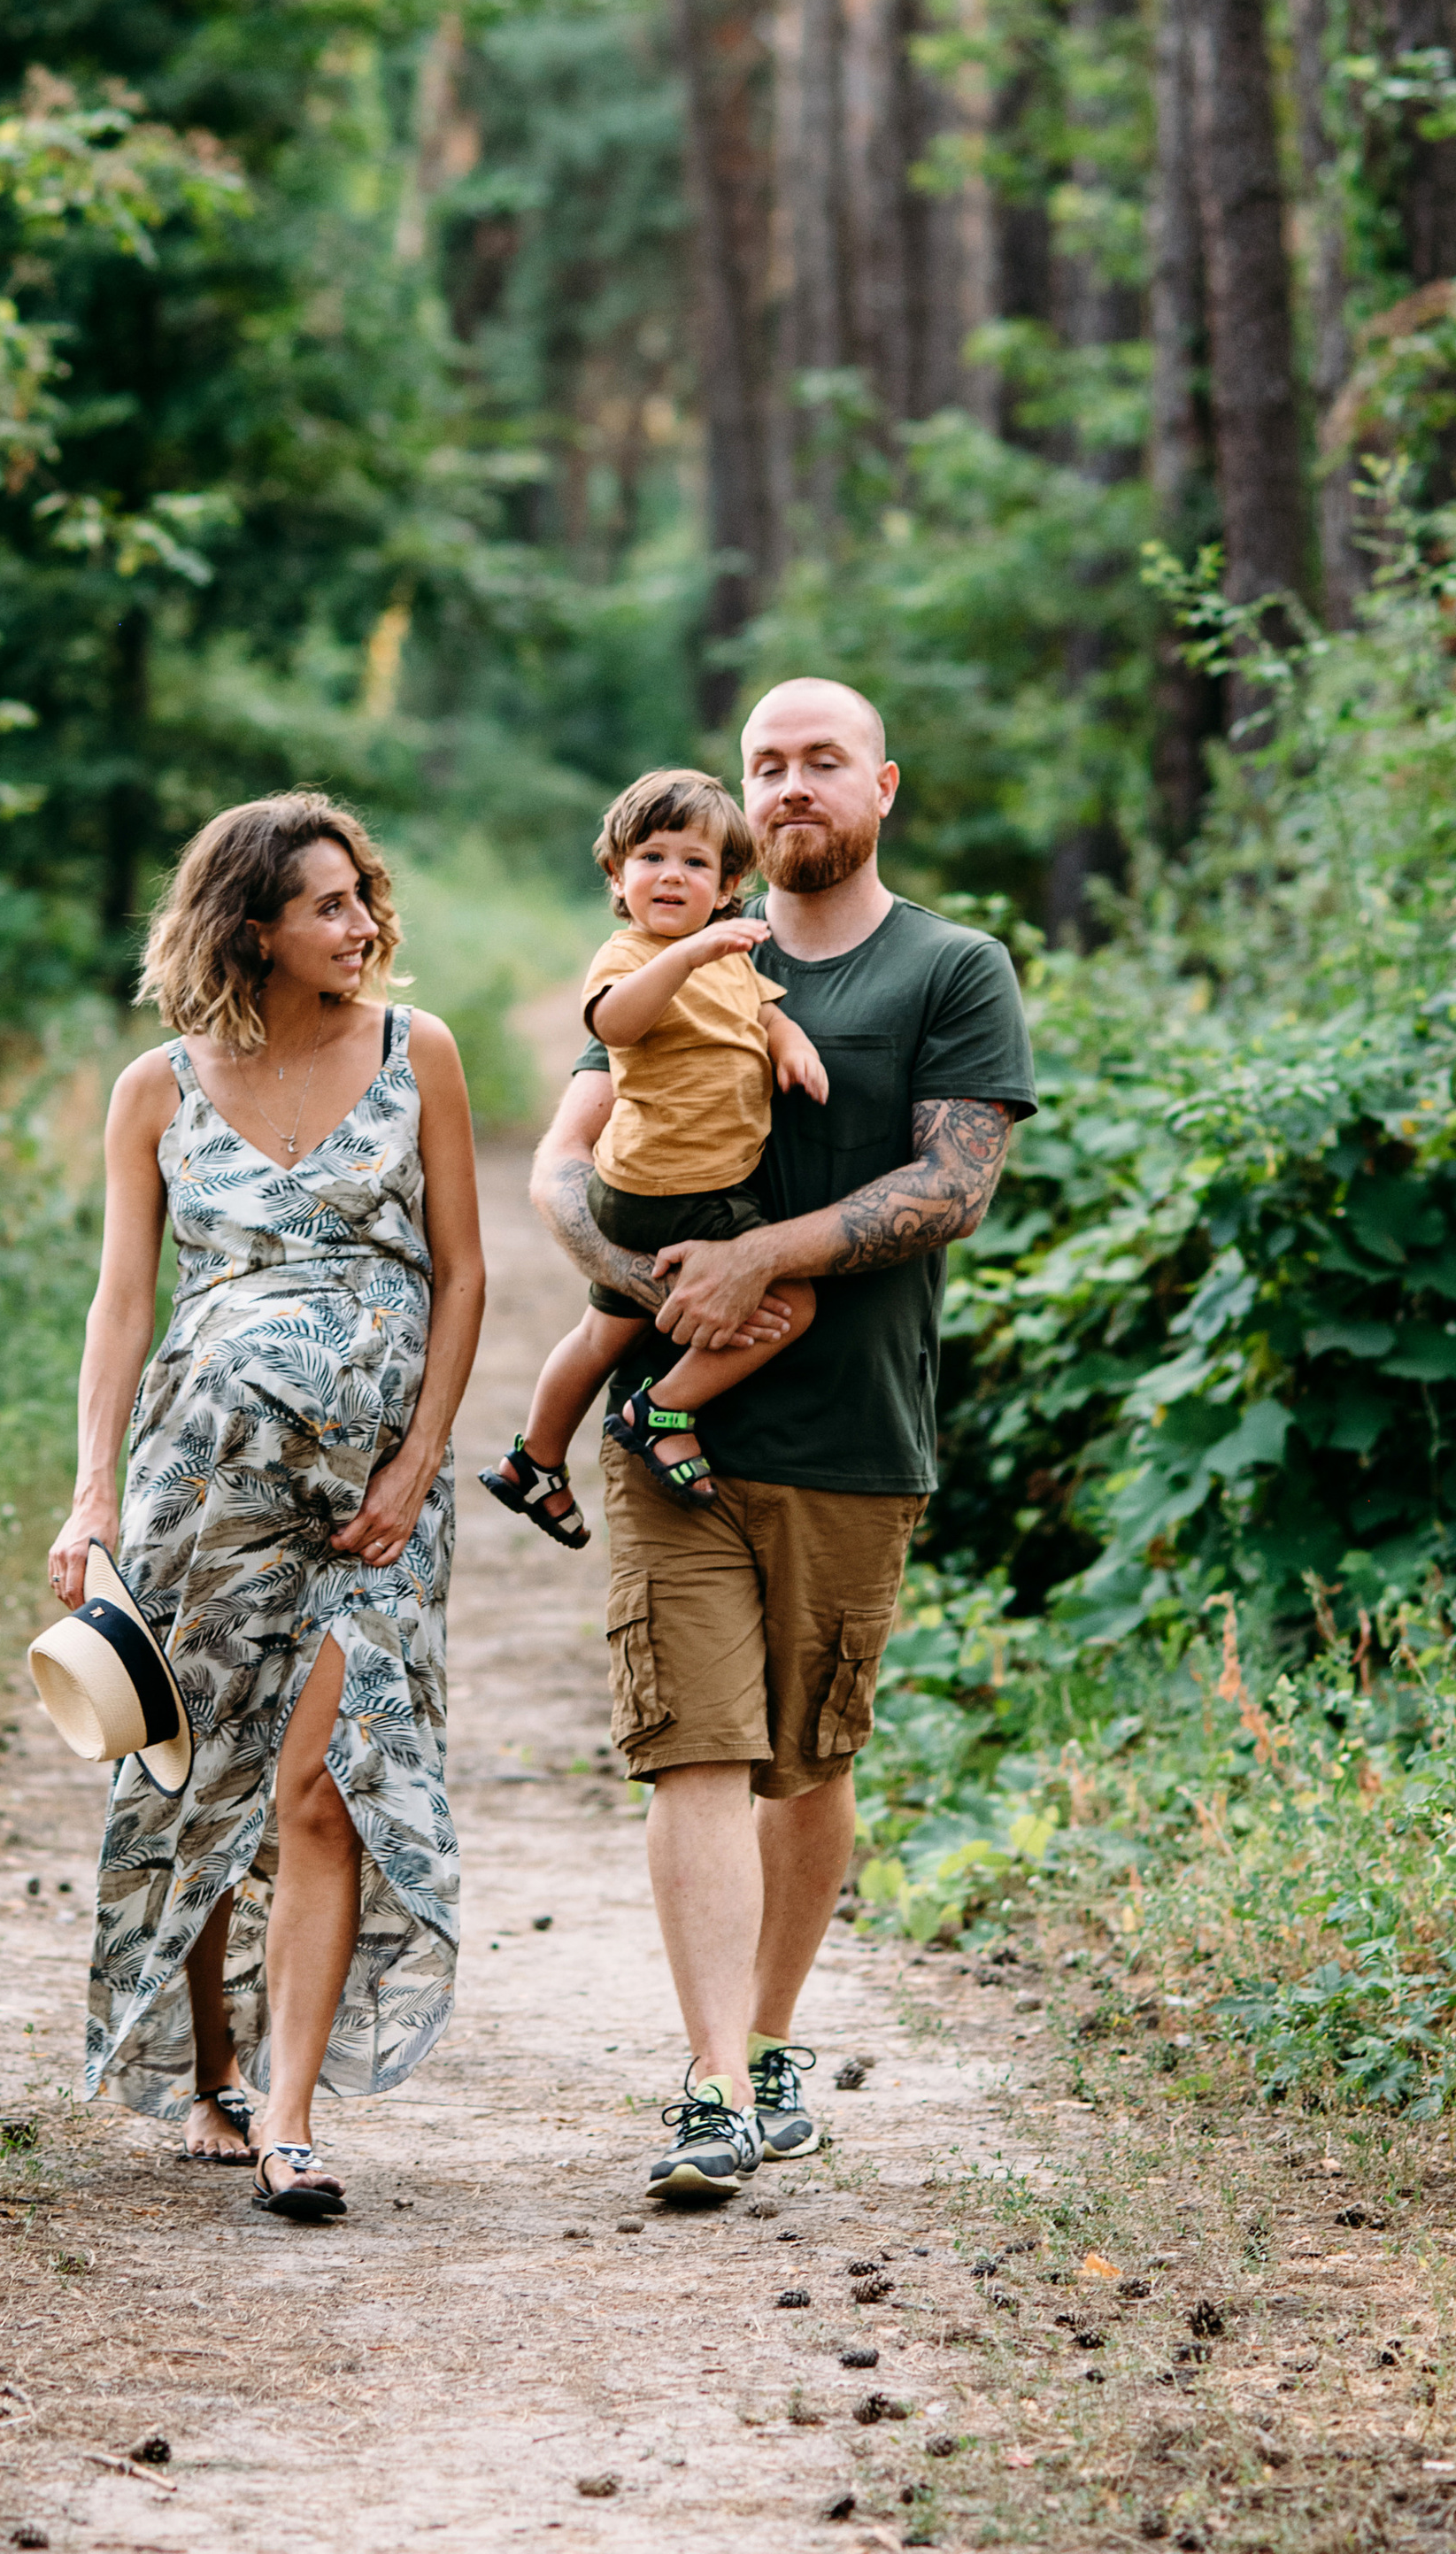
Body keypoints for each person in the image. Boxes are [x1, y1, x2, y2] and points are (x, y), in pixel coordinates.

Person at [529, 678, 1036, 2202]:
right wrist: (635, 1280)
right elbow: (563, 1168)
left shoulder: (949, 967)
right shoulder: (670, 957)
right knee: (697, 1744)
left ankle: (766, 2043)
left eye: (822, 761)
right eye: (768, 763)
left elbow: (955, 1187)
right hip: (669, 1431)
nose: (793, 783)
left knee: (807, 1767)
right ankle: (706, 2084)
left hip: (856, 1427)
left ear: (881, 785)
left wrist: (766, 1257)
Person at [48, 790, 485, 2223]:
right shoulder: (157, 1088)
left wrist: (420, 1460)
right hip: (203, 1481)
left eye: (365, 894)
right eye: (329, 904)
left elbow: (464, 1275)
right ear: (252, 926)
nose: (362, 923)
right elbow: (124, 1303)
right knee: (196, 1775)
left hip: (368, 1498)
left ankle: (293, 2117)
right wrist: (89, 1490)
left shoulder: (418, 1053)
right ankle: (216, 2072)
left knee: (323, 1785)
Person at [481, 767, 827, 1547]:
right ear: (617, 872)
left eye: (695, 863)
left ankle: (532, 1461)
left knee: (605, 1335)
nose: (672, 875)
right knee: (795, 1303)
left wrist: (792, 1043)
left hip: (664, 1188)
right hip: (671, 1187)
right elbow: (618, 1026)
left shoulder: (733, 960)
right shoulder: (629, 954)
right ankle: (665, 1408)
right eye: (651, 857)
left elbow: (761, 1015)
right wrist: (689, 954)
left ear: (730, 882)